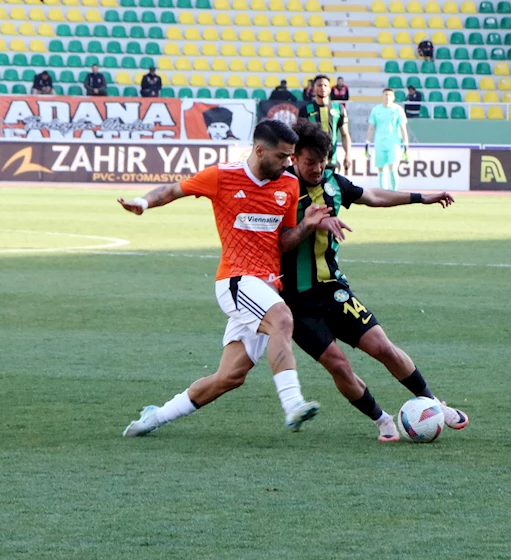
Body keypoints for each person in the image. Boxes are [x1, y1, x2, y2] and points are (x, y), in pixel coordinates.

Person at [117, 120, 349, 437]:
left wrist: (307, 226)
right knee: (282, 318)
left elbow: (283, 241)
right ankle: (293, 403)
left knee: (230, 377)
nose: (288, 164)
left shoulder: (289, 186)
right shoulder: (222, 177)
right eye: (282, 157)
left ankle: (154, 418)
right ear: (259, 150)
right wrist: (143, 203)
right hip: (236, 281)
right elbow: (172, 190)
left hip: (267, 287)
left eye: (291, 157)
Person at [282, 121, 467, 442]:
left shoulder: (333, 183)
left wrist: (421, 198)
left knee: (384, 348)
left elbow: (373, 195)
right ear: (294, 158)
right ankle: (382, 421)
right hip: (297, 304)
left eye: (322, 161)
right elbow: (277, 242)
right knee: (339, 365)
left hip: (333, 289)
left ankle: (434, 404)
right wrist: (312, 222)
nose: (317, 168)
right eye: (309, 162)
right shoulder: (279, 189)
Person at [298, 75, 352, 173]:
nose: (322, 88)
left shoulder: (338, 109)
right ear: (314, 88)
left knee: (331, 186)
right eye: (319, 85)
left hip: (332, 159)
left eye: (325, 85)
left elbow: (345, 134)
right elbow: (300, 137)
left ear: (330, 89)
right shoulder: (305, 110)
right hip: (311, 159)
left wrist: (348, 154)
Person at [365, 88, 409, 191]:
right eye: (385, 95)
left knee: (392, 168)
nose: (387, 97)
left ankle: (394, 192)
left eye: (389, 95)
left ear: (393, 97)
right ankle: (383, 192)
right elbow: (371, 128)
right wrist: (367, 143)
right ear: (382, 96)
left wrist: (406, 145)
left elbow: (403, 128)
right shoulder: (376, 110)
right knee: (380, 169)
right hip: (380, 143)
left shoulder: (398, 110)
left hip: (393, 143)